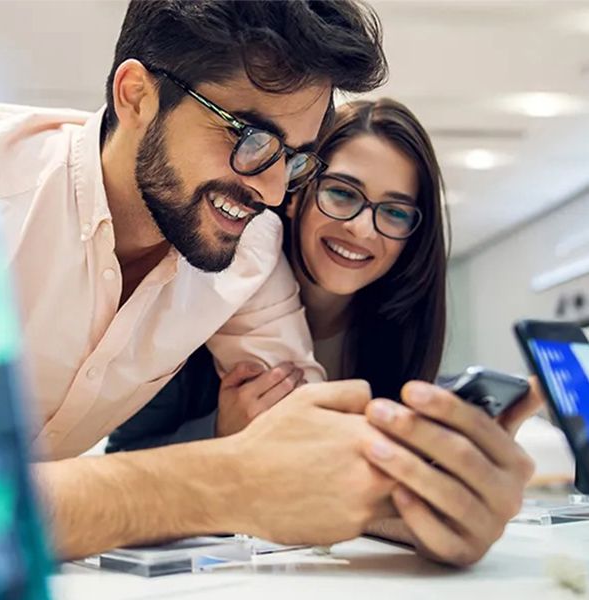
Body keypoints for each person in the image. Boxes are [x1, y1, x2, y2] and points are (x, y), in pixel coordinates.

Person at [0, 0, 410, 560]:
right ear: (137, 96)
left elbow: (311, 441)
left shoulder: (250, 248)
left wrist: (446, 499)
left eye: (292, 159)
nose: (270, 193)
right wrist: (213, 481)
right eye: (250, 138)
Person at [108, 98, 542, 565]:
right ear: (295, 194)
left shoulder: (395, 333)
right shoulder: (211, 291)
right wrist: (222, 436)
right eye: (342, 193)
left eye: (395, 213)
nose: (362, 228)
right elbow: (120, 464)